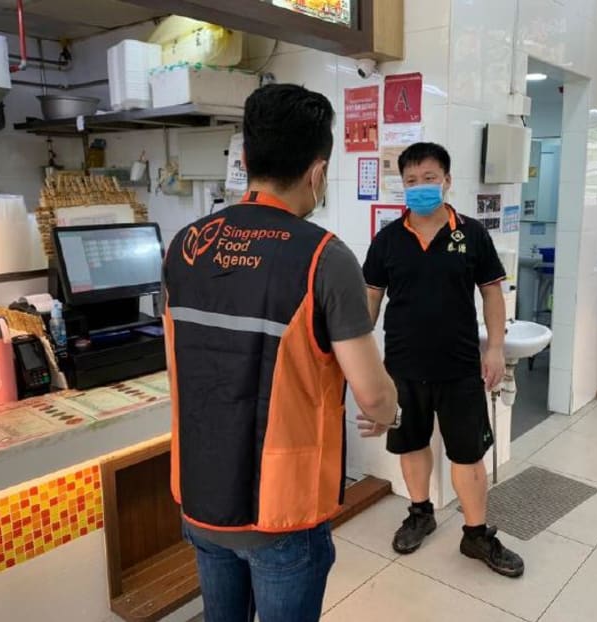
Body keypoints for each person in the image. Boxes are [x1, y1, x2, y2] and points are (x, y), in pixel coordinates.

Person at [162, 83, 399, 622]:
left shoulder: (185, 244)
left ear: (245, 159)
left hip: (200, 495)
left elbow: (180, 362)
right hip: (281, 511)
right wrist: (390, 412)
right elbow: (372, 392)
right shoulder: (323, 257)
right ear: (318, 172)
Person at [362, 142, 524, 578]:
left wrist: (493, 347)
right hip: (403, 368)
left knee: (467, 455)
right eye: (411, 181)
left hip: (459, 367)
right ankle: (420, 512)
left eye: (429, 178)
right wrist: (362, 362)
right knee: (411, 444)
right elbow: (370, 301)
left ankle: (476, 535)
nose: (419, 188)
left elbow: (492, 291)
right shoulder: (388, 239)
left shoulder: (471, 233)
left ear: (447, 181)